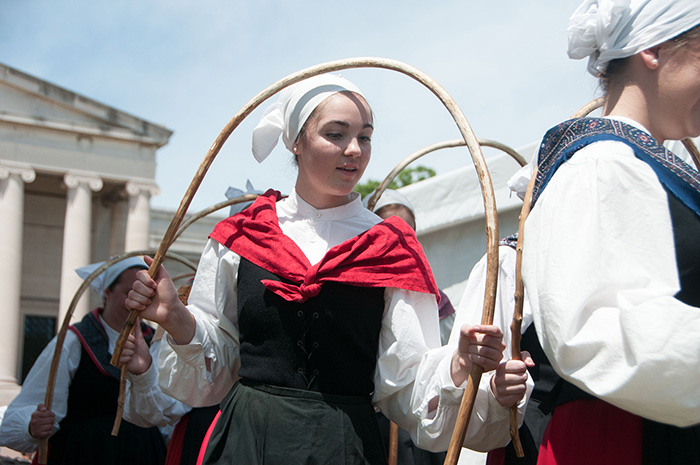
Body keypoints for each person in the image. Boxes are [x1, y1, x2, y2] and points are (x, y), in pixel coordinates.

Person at [125, 74, 530, 464]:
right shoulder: (243, 235)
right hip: (248, 441)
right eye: (336, 134)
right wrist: (175, 317)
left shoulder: (391, 246)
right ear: (297, 142)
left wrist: (458, 364)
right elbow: (218, 365)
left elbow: (404, 381)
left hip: (345, 445)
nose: (354, 149)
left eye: (365, 136)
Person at [520, 1, 700, 463]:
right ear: (655, 49)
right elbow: (591, 329)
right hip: (628, 437)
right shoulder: (601, 163)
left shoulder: (651, 165)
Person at [0, 257, 181, 465]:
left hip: (143, 454)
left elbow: (169, 414)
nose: (138, 301)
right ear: (107, 292)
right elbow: (32, 406)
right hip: (82, 453)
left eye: (146, 294)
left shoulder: (157, 343)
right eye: (129, 292)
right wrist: (31, 426)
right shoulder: (74, 341)